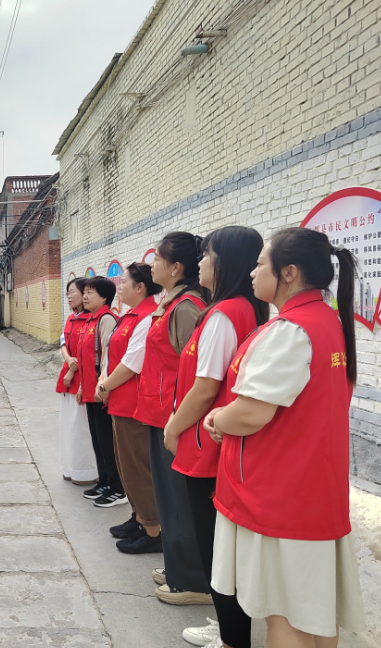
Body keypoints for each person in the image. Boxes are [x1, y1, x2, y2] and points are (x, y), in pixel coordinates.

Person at [204, 228, 365, 646]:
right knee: (312, 615)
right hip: (313, 489)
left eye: (261, 264)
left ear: (288, 272)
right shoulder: (326, 320)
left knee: (284, 617)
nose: (254, 272)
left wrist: (219, 417)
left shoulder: (291, 330)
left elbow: (253, 412)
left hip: (279, 496)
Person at [163, 227, 267, 647]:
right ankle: (227, 627)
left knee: (215, 546)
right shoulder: (240, 308)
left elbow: (206, 386)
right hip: (215, 440)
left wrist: (173, 427)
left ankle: (231, 636)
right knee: (219, 544)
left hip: (207, 443)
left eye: (207, 256)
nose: (201, 263)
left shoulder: (224, 314)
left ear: (225, 262)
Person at [134, 232, 211, 605]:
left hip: (175, 417)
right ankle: (178, 564)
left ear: (176, 267)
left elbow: (197, 370)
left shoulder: (186, 308)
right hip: (160, 410)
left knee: (180, 499)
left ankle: (194, 579)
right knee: (169, 498)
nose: (152, 265)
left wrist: (180, 419)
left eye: (158, 259)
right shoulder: (172, 302)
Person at [96, 262, 162, 553]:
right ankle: (138, 517)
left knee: (138, 469)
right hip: (119, 402)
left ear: (140, 287)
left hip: (134, 405)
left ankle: (153, 529)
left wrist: (105, 386)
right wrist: (104, 381)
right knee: (126, 466)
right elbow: (111, 354)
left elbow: (133, 362)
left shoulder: (147, 317)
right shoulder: (130, 316)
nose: (118, 286)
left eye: (123, 282)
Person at [75, 276, 123, 507]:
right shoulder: (89, 320)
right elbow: (87, 358)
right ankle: (104, 481)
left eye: (90, 292)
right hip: (90, 392)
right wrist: (83, 386)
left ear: (104, 296)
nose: (85, 296)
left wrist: (102, 386)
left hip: (102, 393)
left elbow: (108, 356)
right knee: (97, 440)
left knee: (107, 441)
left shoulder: (106, 319)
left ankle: (116, 487)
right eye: (84, 292)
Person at [57, 278, 98, 485]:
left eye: (72, 291)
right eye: (67, 292)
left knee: (81, 428)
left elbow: (91, 353)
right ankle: (70, 467)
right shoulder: (71, 318)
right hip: (68, 377)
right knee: (68, 426)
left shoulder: (92, 320)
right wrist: (68, 360)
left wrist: (75, 369)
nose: (69, 296)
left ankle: (86, 472)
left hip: (83, 379)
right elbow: (63, 342)